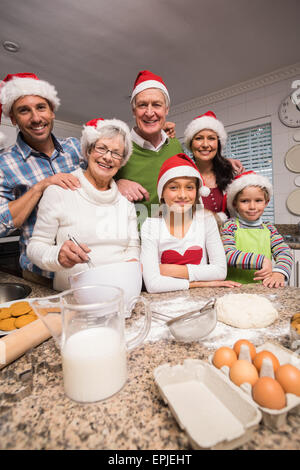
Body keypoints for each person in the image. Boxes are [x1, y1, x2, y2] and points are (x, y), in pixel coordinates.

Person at [27, 118, 140, 291]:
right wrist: (58, 255)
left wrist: (131, 267)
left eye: (116, 153)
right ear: (88, 151)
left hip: (120, 294)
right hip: (74, 298)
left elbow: (133, 247)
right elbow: (35, 248)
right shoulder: (59, 192)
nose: (108, 157)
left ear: (122, 161)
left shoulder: (125, 203)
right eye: (101, 148)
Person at [0, 72, 84, 287]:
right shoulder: (4, 162)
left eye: (40, 107)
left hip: (83, 267)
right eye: (24, 110)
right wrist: (41, 186)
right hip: (40, 275)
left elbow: (112, 159)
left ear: (52, 111)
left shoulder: (76, 148)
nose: (36, 118)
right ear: (13, 118)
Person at [141, 153, 241, 293]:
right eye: (174, 188)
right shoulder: (151, 226)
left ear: (197, 192)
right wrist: (201, 283)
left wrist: (167, 269)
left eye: (189, 187)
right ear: (162, 193)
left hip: (201, 300)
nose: (182, 195)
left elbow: (220, 271)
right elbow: (153, 284)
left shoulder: (206, 220)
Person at [116, 70, 184, 217]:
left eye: (156, 105)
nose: (149, 112)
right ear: (134, 111)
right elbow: (94, 185)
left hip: (175, 234)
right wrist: (116, 184)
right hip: (134, 238)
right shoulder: (119, 146)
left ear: (166, 110)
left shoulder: (175, 146)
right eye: (142, 105)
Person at [220, 171, 293, 287]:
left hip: (262, 287)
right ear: (235, 204)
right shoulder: (230, 226)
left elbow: (285, 252)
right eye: (244, 201)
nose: (252, 207)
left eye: (258, 200)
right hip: (233, 287)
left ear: (266, 202)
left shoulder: (270, 228)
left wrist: (279, 272)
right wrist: (262, 260)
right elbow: (228, 254)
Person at [184, 110, 240, 221]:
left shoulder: (232, 173)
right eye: (199, 138)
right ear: (191, 144)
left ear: (218, 144)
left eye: (211, 138)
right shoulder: (184, 176)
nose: (205, 144)